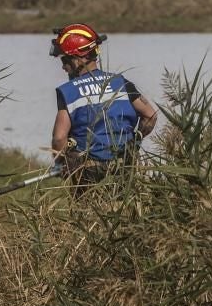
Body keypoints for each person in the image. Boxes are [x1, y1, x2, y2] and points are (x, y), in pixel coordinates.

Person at [49, 22, 158, 186]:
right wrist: (134, 142)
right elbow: (150, 115)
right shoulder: (121, 82)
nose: (63, 66)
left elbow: (59, 138)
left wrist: (61, 164)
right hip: (125, 166)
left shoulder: (68, 91)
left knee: (86, 210)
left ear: (79, 59)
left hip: (87, 170)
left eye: (65, 60)